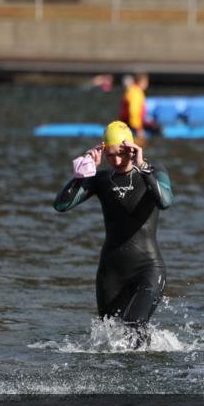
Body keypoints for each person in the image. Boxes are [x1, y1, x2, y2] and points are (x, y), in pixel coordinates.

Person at [54, 121, 173, 348]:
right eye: (110, 155)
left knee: (133, 326)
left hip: (148, 269)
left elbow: (165, 201)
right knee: (111, 341)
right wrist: (83, 172)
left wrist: (142, 166)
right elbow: (61, 205)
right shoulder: (100, 180)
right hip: (111, 273)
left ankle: (147, 365)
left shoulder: (154, 170)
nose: (116, 161)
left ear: (132, 149)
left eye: (121, 154)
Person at [119, 73, 160, 143]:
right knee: (157, 130)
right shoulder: (136, 93)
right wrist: (138, 129)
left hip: (128, 122)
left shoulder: (132, 90)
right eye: (146, 82)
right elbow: (134, 111)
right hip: (131, 124)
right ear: (142, 82)